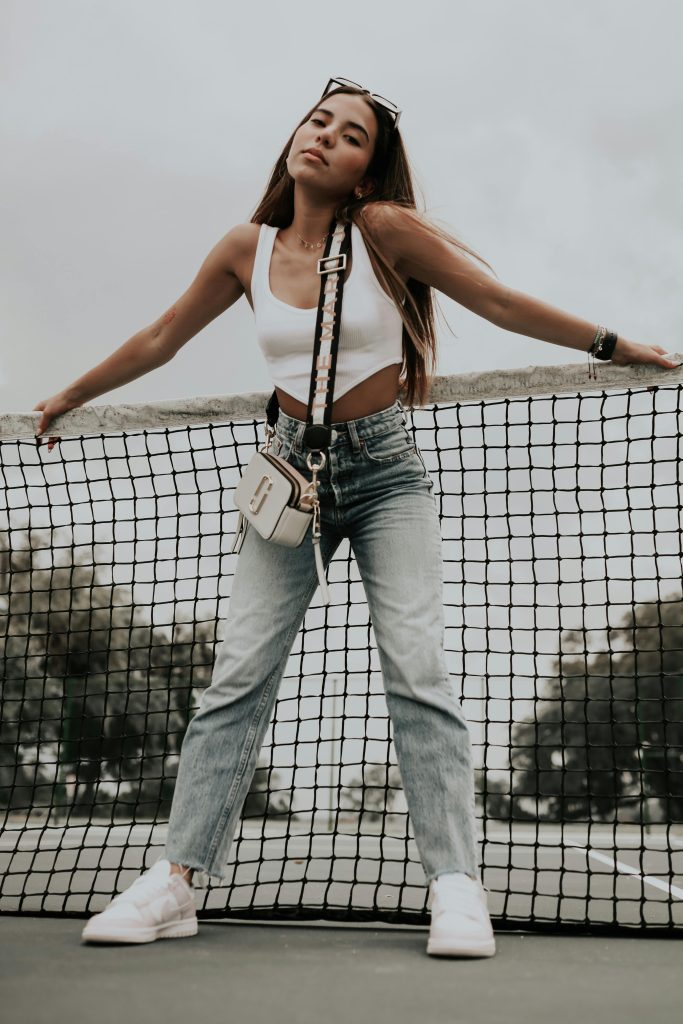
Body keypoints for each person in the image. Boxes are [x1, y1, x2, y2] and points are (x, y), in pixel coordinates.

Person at [34, 77, 680, 957]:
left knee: (416, 669)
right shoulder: (243, 248)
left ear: (366, 172)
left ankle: (454, 883)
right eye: (318, 122)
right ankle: (177, 880)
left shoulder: (380, 231)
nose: (326, 138)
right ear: (295, 137)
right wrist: (70, 394)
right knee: (236, 680)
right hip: (288, 475)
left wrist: (613, 345)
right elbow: (160, 336)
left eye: (349, 136)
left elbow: (494, 299)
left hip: (385, 476)